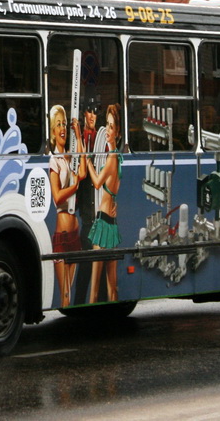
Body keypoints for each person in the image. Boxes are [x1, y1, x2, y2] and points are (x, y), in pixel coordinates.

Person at [48, 103, 86, 307]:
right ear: (53, 131)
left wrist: (78, 135)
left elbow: (84, 171)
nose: (63, 128)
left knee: (68, 295)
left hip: (74, 235)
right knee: (64, 295)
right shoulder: (54, 161)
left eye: (64, 124)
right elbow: (57, 197)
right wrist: (75, 185)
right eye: (58, 124)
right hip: (62, 237)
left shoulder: (69, 158)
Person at [84, 103, 123, 303]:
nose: (107, 131)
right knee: (112, 287)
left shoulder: (111, 159)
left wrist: (88, 162)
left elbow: (98, 183)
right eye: (106, 125)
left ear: (117, 132)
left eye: (111, 127)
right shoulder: (120, 159)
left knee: (94, 288)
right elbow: (114, 188)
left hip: (102, 223)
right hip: (112, 225)